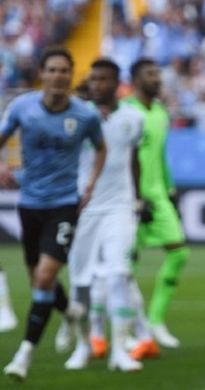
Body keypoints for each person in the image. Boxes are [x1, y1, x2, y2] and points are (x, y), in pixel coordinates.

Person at [0, 47, 106, 381]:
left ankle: (24, 356)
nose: (58, 76)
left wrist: (89, 184)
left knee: (45, 277)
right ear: (42, 74)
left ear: (71, 76)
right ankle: (70, 312)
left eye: (64, 71)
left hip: (64, 203)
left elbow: (101, 147)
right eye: (52, 70)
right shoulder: (22, 107)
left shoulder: (85, 115)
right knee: (38, 281)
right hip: (30, 203)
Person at [63, 58, 146, 372]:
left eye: (103, 79)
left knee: (118, 274)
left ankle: (120, 351)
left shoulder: (133, 118)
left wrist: (137, 199)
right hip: (84, 209)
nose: (97, 84)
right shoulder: (78, 118)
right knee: (80, 282)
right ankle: (84, 345)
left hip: (120, 208)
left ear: (116, 83)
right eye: (93, 79)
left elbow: (134, 159)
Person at [123, 58, 189, 349]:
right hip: (128, 199)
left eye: (158, 73)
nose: (157, 78)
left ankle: (154, 320)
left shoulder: (161, 113)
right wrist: (135, 197)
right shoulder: (126, 112)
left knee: (179, 253)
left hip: (158, 196)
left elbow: (160, 156)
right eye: (151, 74)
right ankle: (125, 328)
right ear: (136, 79)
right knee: (125, 265)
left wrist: (170, 189)